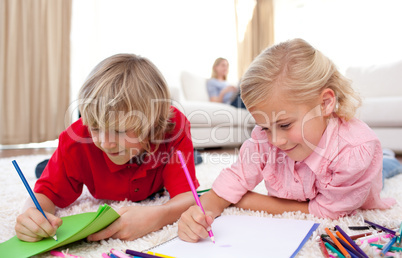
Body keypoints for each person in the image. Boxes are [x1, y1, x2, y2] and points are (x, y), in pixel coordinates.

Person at [178, 38, 400, 243]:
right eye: (264, 127)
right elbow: (237, 176)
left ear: (325, 104)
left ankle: (388, 157)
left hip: (358, 173)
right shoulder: (267, 137)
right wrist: (203, 211)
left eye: (285, 125)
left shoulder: (355, 152)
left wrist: (244, 199)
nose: (275, 140)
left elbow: (327, 211)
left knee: (384, 169)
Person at [15, 54, 199, 242]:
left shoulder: (174, 128)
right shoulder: (76, 139)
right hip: (79, 155)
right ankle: (49, 163)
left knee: (192, 159)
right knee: (47, 169)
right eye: (95, 128)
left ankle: (196, 156)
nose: (106, 143)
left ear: (153, 125)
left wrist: (159, 216)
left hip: (156, 177)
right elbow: (44, 195)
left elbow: (189, 197)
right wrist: (31, 215)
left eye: (119, 131)